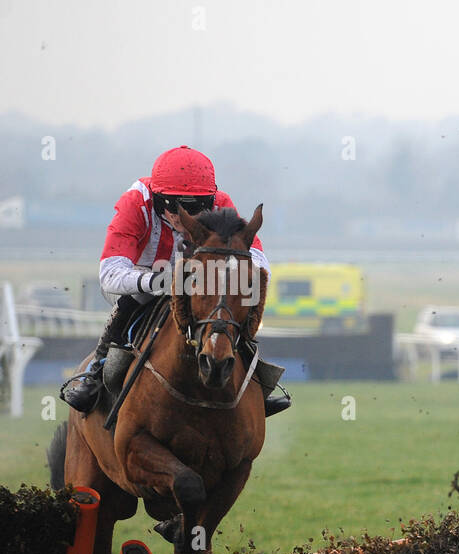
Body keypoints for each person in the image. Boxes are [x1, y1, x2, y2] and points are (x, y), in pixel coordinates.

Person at [60, 145, 290, 415]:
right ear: (157, 198)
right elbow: (110, 274)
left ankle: (255, 378)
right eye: (174, 204)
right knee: (133, 300)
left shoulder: (221, 204)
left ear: (211, 200)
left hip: (197, 283)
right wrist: (159, 281)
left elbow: (259, 260)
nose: (184, 214)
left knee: (230, 302)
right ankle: (95, 371)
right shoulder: (135, 203)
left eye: (199, 206)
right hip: (140, 280)